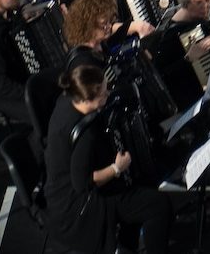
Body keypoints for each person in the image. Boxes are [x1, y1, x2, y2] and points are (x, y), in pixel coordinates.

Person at [43, 63, 173, 254]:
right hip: (79, 205)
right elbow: (83, 182)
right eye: (103, 94)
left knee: (140, 192)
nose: (108, 94)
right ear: (88, 99)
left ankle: (128, 242)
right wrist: (117, 168)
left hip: (58, 191)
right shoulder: (85, 134)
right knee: (159, 206)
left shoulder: (64, 101)